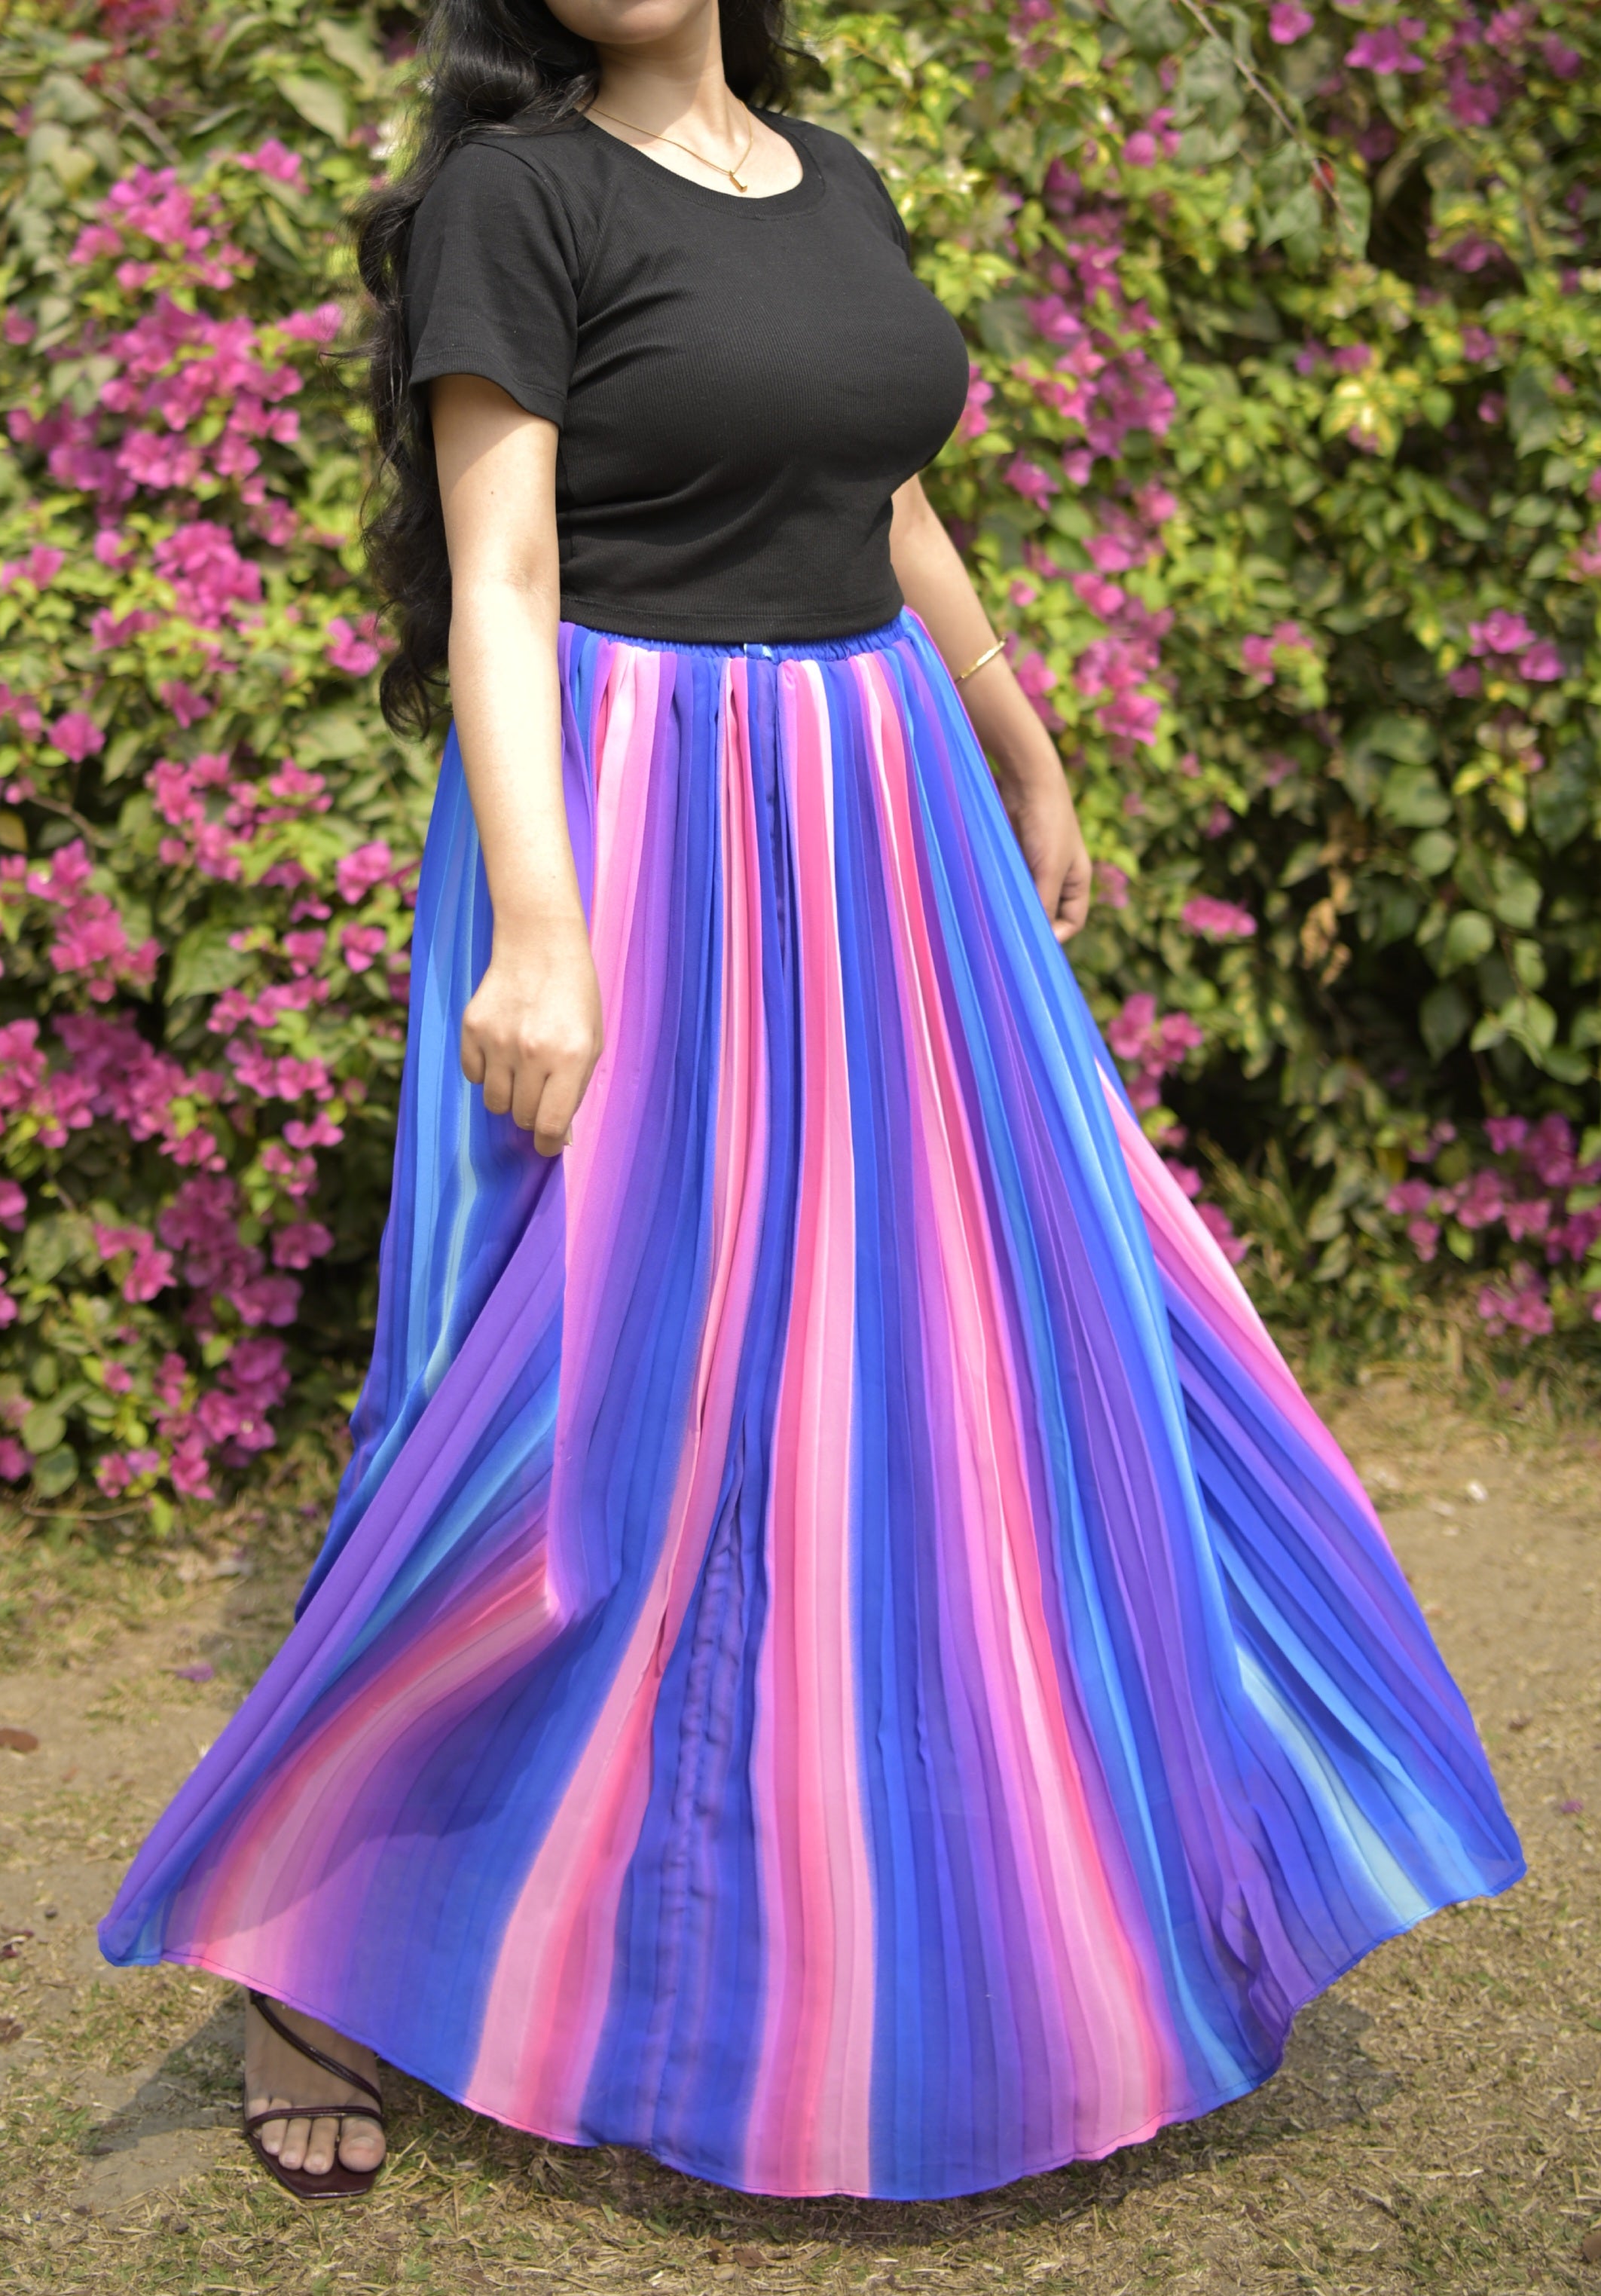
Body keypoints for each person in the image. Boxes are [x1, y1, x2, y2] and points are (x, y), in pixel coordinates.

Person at [99, 0, 1523, 2206]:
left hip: (877, 813)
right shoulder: (516, 195)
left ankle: (931, 1894)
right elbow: (501, 573)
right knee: (571, 1387)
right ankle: (319, 1941)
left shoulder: (835, 184)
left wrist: (1019, 731)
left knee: (964, 1353)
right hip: (640, 814)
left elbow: (889, 495)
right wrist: (548, 929)